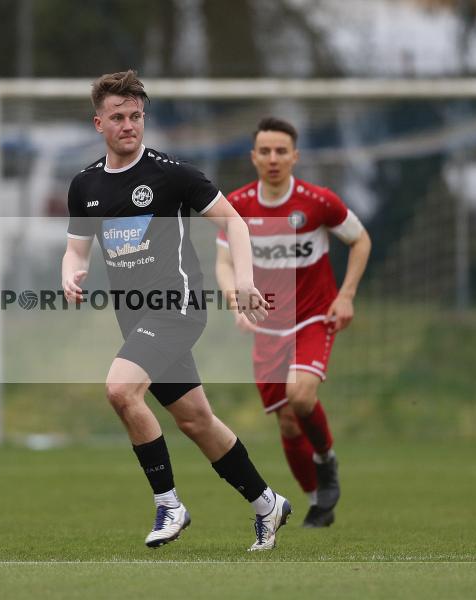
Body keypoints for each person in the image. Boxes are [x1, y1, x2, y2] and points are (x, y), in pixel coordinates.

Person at [62, 71, 291, 551]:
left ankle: (169, 503)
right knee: (196, 421)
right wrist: (70, 272)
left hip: (177, 308)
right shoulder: (85, 186)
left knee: (121, 391)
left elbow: (236, 222)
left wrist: (245, 281)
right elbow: (77, 250)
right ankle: (267, 503)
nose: (129, 125)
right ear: (98, 123)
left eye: (136, 116)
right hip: (136, 319)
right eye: (118, 117)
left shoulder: (172, 174)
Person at [215, 117, 371, 528]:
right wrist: (235, 302)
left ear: (295, 156)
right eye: (264, 151)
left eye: (281, 151)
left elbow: (360, 239)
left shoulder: (318, 201)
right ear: (253, 157)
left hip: (313, 317)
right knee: (287, 419)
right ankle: (319, 500)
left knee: (300, 396)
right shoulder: (238, 206)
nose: (272, 158)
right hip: (267, 325)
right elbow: (224, 262)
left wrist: (347, 295)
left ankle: (326, 459)